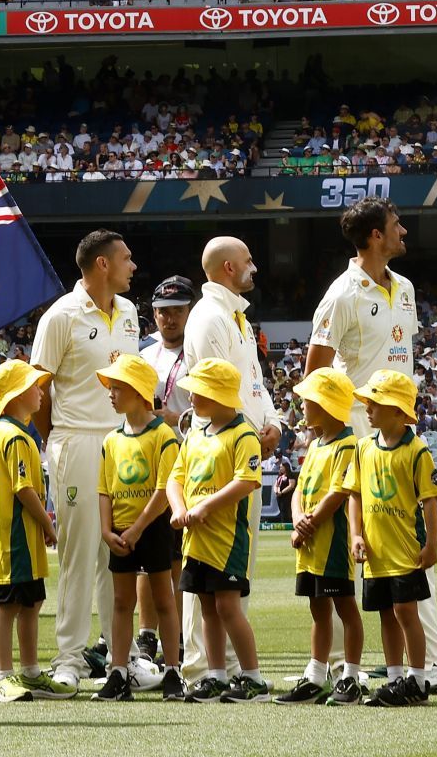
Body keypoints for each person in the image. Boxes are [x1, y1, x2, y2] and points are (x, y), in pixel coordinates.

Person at [306, 198, 437, 679]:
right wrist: (332, 432)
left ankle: (420, 664)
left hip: (400, 427)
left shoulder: (404, 287)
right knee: (365, 547)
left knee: (410, 542)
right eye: (395, 226)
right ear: (373, 237)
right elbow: (316, 367)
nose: (403, 231)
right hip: (361, 430)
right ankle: (356, 666)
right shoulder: (342, 293)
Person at [30, 230, 143, 691]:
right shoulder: (62, 316)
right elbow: (38, 389)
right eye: (126, 258)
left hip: (122, 441)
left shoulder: (131, 313)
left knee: (118, 552)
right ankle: (69, 659)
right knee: (79, 552)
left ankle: (118, 654)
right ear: (101, 264)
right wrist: (56, 437)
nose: (133, 265)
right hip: (76, 440)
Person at [180, 237, 281, 689]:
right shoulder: (209, 318)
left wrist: (274, 423)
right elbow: (218, 389)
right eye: (248, 261)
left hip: (245, 442)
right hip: (223, 449)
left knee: (234, 571)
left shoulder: (236, 315)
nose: (254, 267)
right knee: (206, 568)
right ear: (226, 268)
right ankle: (204, 668)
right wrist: (249, 432)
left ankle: (230, 670)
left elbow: (255, 382)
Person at [166, 359, 268, 702]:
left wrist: (205, 507)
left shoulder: (243, 435)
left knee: (227, 606)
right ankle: (216, 675)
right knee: (207, 608)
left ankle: (252, 677)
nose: (192, 397)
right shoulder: (195, 435)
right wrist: (181, 509)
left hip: (227, 539)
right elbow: (175, 479)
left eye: (199, 391)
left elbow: (247, 480)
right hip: (196, 540)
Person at [343, 370, 437, 708]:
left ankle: (417, 680)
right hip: (375, 551)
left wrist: (432, 545)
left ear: (399, 411)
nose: (367, 408)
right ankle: (396, 678)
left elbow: (429, 500)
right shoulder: (363, 448)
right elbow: (354, 494)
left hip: (405, 550)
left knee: (405, 612)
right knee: (386, 613)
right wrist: (356, 534)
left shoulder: (417, 451)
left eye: (376, 402)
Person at [93, 353, 183, 701]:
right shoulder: (111, 440)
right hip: (120, 531)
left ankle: (173, 671)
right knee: (120, 602)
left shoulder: (163, 437)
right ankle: (118, 671)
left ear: (138, 391)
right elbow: (104, 489)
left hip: (154, 528)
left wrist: (137, 529)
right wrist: (107, 530)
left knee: (163, 599)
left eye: (117, 388)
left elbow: (164, 490)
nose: (111, 394)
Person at [0, 359, 74, 701]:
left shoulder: (15, 433)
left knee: (31, 602)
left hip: (24, 539)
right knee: (8, 605)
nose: (41, 392)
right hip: (16, 538)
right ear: (15, 396)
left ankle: (31, 672)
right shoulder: (14, 436)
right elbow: (24, 490)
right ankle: (3, 677)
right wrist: (47, 523)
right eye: (34, 387)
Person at [278, 366, 362, 705]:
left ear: (327, 405)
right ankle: (316, 674)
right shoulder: (315, 445)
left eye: (309, 401)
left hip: (333, 545)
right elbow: (299, 487)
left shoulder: (348, 444)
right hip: (311, 544)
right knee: (317, 608)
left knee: (344, 607)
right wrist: (298, 517)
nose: (302, 406)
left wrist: (309, 523)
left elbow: (340, 491)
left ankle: (351, 676)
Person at [140, 276, 196, 429]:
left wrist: (179, 420)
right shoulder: (144, 356)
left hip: (189, 448)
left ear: (190, 312)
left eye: (178, 311)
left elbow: (218, 413)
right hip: (153, 446)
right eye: (164, 312)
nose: (171, 320)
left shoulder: (200, 356)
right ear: (154, 314)